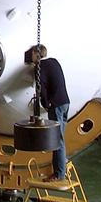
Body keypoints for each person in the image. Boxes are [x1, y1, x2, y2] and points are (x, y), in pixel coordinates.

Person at [27, 45, 70, 181]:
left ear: (36, 53)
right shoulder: (54, 62)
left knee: (57, 140)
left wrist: (46, 104)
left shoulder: (40, 67)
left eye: (32, 53)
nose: (31, 56)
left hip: (56, 105)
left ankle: (59, 174)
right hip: (65, 102)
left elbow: (42, 88)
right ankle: (62, 161)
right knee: (61, 135)